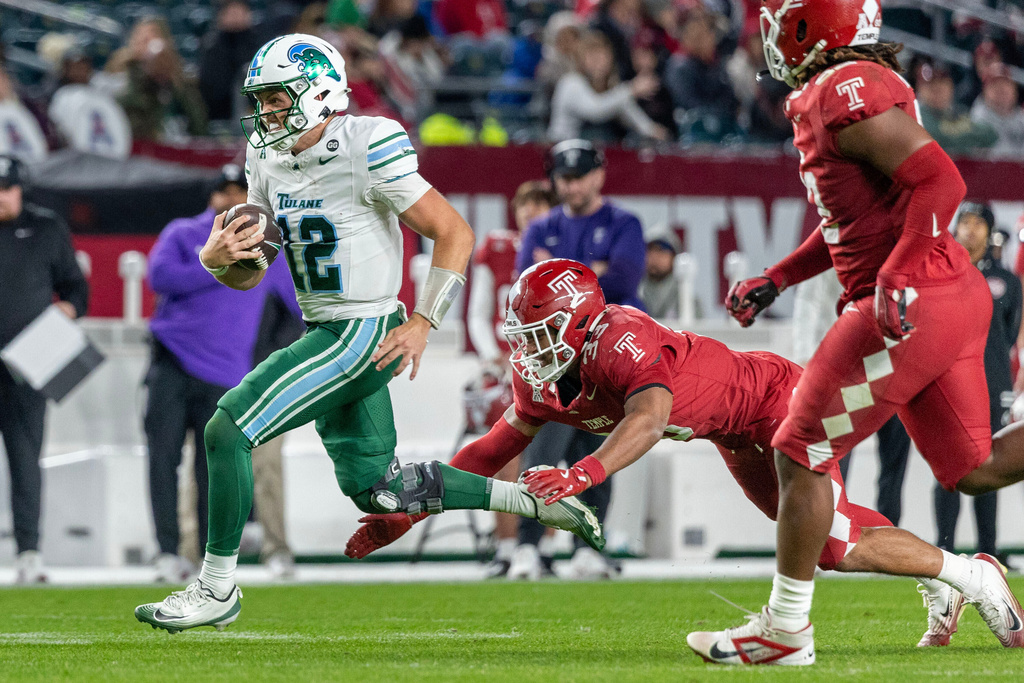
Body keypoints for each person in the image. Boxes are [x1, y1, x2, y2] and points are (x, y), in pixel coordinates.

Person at [134, 34, 603, 634]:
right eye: (263, 100)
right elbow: (249, 278)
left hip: (360, 331)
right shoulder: (263, 156)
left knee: (230, 427)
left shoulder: (366, 143)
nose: (268, 112)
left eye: (279, 98)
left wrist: (423, 320)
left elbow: (454, 232)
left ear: (320, 92)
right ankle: (535, 501)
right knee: (380, 493)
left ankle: (216, 585)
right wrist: (214, 258)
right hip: (326, 327)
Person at [345, 259, 1024, 652]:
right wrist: (409, 511)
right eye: (522, 334)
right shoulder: (540, 375)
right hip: (734, 429)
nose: (528, 348)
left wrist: (582, 472)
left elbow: (649, 417)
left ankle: (968, 572)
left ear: (580, 319)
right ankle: (947, 572)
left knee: (834, 543)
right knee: (831, 536)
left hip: (776, 398)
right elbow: (493, 448)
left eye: (541, 331)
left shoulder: (621, 336)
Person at [703, 0, 1024, 664]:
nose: (774, 31)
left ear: (814, 24)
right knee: (974, 467)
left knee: (796, 448)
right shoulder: (851, 87)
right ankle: (975, 575)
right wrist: (781, 277)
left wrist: (897, 274)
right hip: (946, 291)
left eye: (788, 18)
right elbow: (854, 220)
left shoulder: (837, 90)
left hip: (914, 302)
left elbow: (943, 179)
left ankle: (786, 627)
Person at [143, 164, 301, 583]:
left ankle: (215, 561)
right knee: (163, 462)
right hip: (172, 362)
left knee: (214, 470)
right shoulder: (183, 231)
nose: (232, 199)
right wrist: (213, 261)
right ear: (211, 197)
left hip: (228, 373)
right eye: (223, 192)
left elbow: (299, 307)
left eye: (240, 191)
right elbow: (158, 277)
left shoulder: (266, 245)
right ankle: (167, 552)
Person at [508, 141, 646, 579]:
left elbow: (624, 277)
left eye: (580, 175)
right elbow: (525, 290)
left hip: (607, 355)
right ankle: (527, 547)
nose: (572, 185)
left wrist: (560, 274)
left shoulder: (624, 222)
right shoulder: (541, 226)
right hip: (552, 359)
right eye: (565, 177)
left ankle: (588, 546)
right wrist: (591, 272)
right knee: (541, 455)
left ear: (598, 175)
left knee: (596, 455)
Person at [0, 155, 88, 583]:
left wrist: (62, 319)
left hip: (26, 365)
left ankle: (29, 552)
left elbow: (75, 288)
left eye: (6, 188)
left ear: (21, 189)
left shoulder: (46, 227)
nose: (0, 196)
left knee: (25, 459)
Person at [467, 179, 557, 577]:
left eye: (539, 205)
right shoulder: (499, 247)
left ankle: (544, 549)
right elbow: (478, 312)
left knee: (550, 458)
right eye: (525, 204)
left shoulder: (560, 250)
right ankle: (506, 547)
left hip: (553, 366)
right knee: (506, 454)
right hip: (507, 368)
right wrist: (493, 357)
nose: (531, 212)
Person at [933, 202, 1020, 559]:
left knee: (990, 462)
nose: (969, 230)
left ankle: (989, 551)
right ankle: (945, 551)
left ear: (989, 230)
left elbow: (1010, 333)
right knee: (948, 464)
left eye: (977, 223)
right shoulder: (939, 273)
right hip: (949, 381)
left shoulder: (1007, 281)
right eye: (964, 222)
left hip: (992, 381)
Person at [547, 31, 667, 143]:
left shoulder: (611, 86)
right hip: (565, 150)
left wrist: (652, 130)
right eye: (592, 57)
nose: (599, 62)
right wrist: (631, 89)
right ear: (581, 60)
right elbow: (595, 110)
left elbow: (627, 110)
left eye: (602, 56)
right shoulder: (571, 82)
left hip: (597, 150)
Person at [47, 49, 132, 159]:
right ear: (65, 70)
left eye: (83, 67)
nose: (80, 72)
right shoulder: (61, 96)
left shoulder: (101, 94)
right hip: (75, 160)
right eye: (75, 68)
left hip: (109, 157)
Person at [198, 0, 268, 124]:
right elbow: (210, 84)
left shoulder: (260, 45)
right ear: (221, 16)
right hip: (219, 115)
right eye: (230, 11)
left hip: (256, 113)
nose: (235, 15)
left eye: (240, 10)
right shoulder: (212, 46)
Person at [915, 60, 997, 155]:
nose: (937, 88)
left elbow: (990, 134)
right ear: (919, 88)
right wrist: (965, 139)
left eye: (942, 82)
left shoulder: (957, 111)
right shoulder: (915, 113)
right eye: (931, 84)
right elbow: (934, 137)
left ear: (951, 86)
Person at [970, 63, 1024, 156]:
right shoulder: (977, 120)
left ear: (1014, 88)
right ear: (985, 91)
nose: (1002, 89)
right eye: (995, 85)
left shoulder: (1020, 116)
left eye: (1006, 83)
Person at [638, 232, 682, 320]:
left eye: (661, 250)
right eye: (650, 250)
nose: (654, 256)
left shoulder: (684, 295)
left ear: (673, 257)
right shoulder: (634, 292)